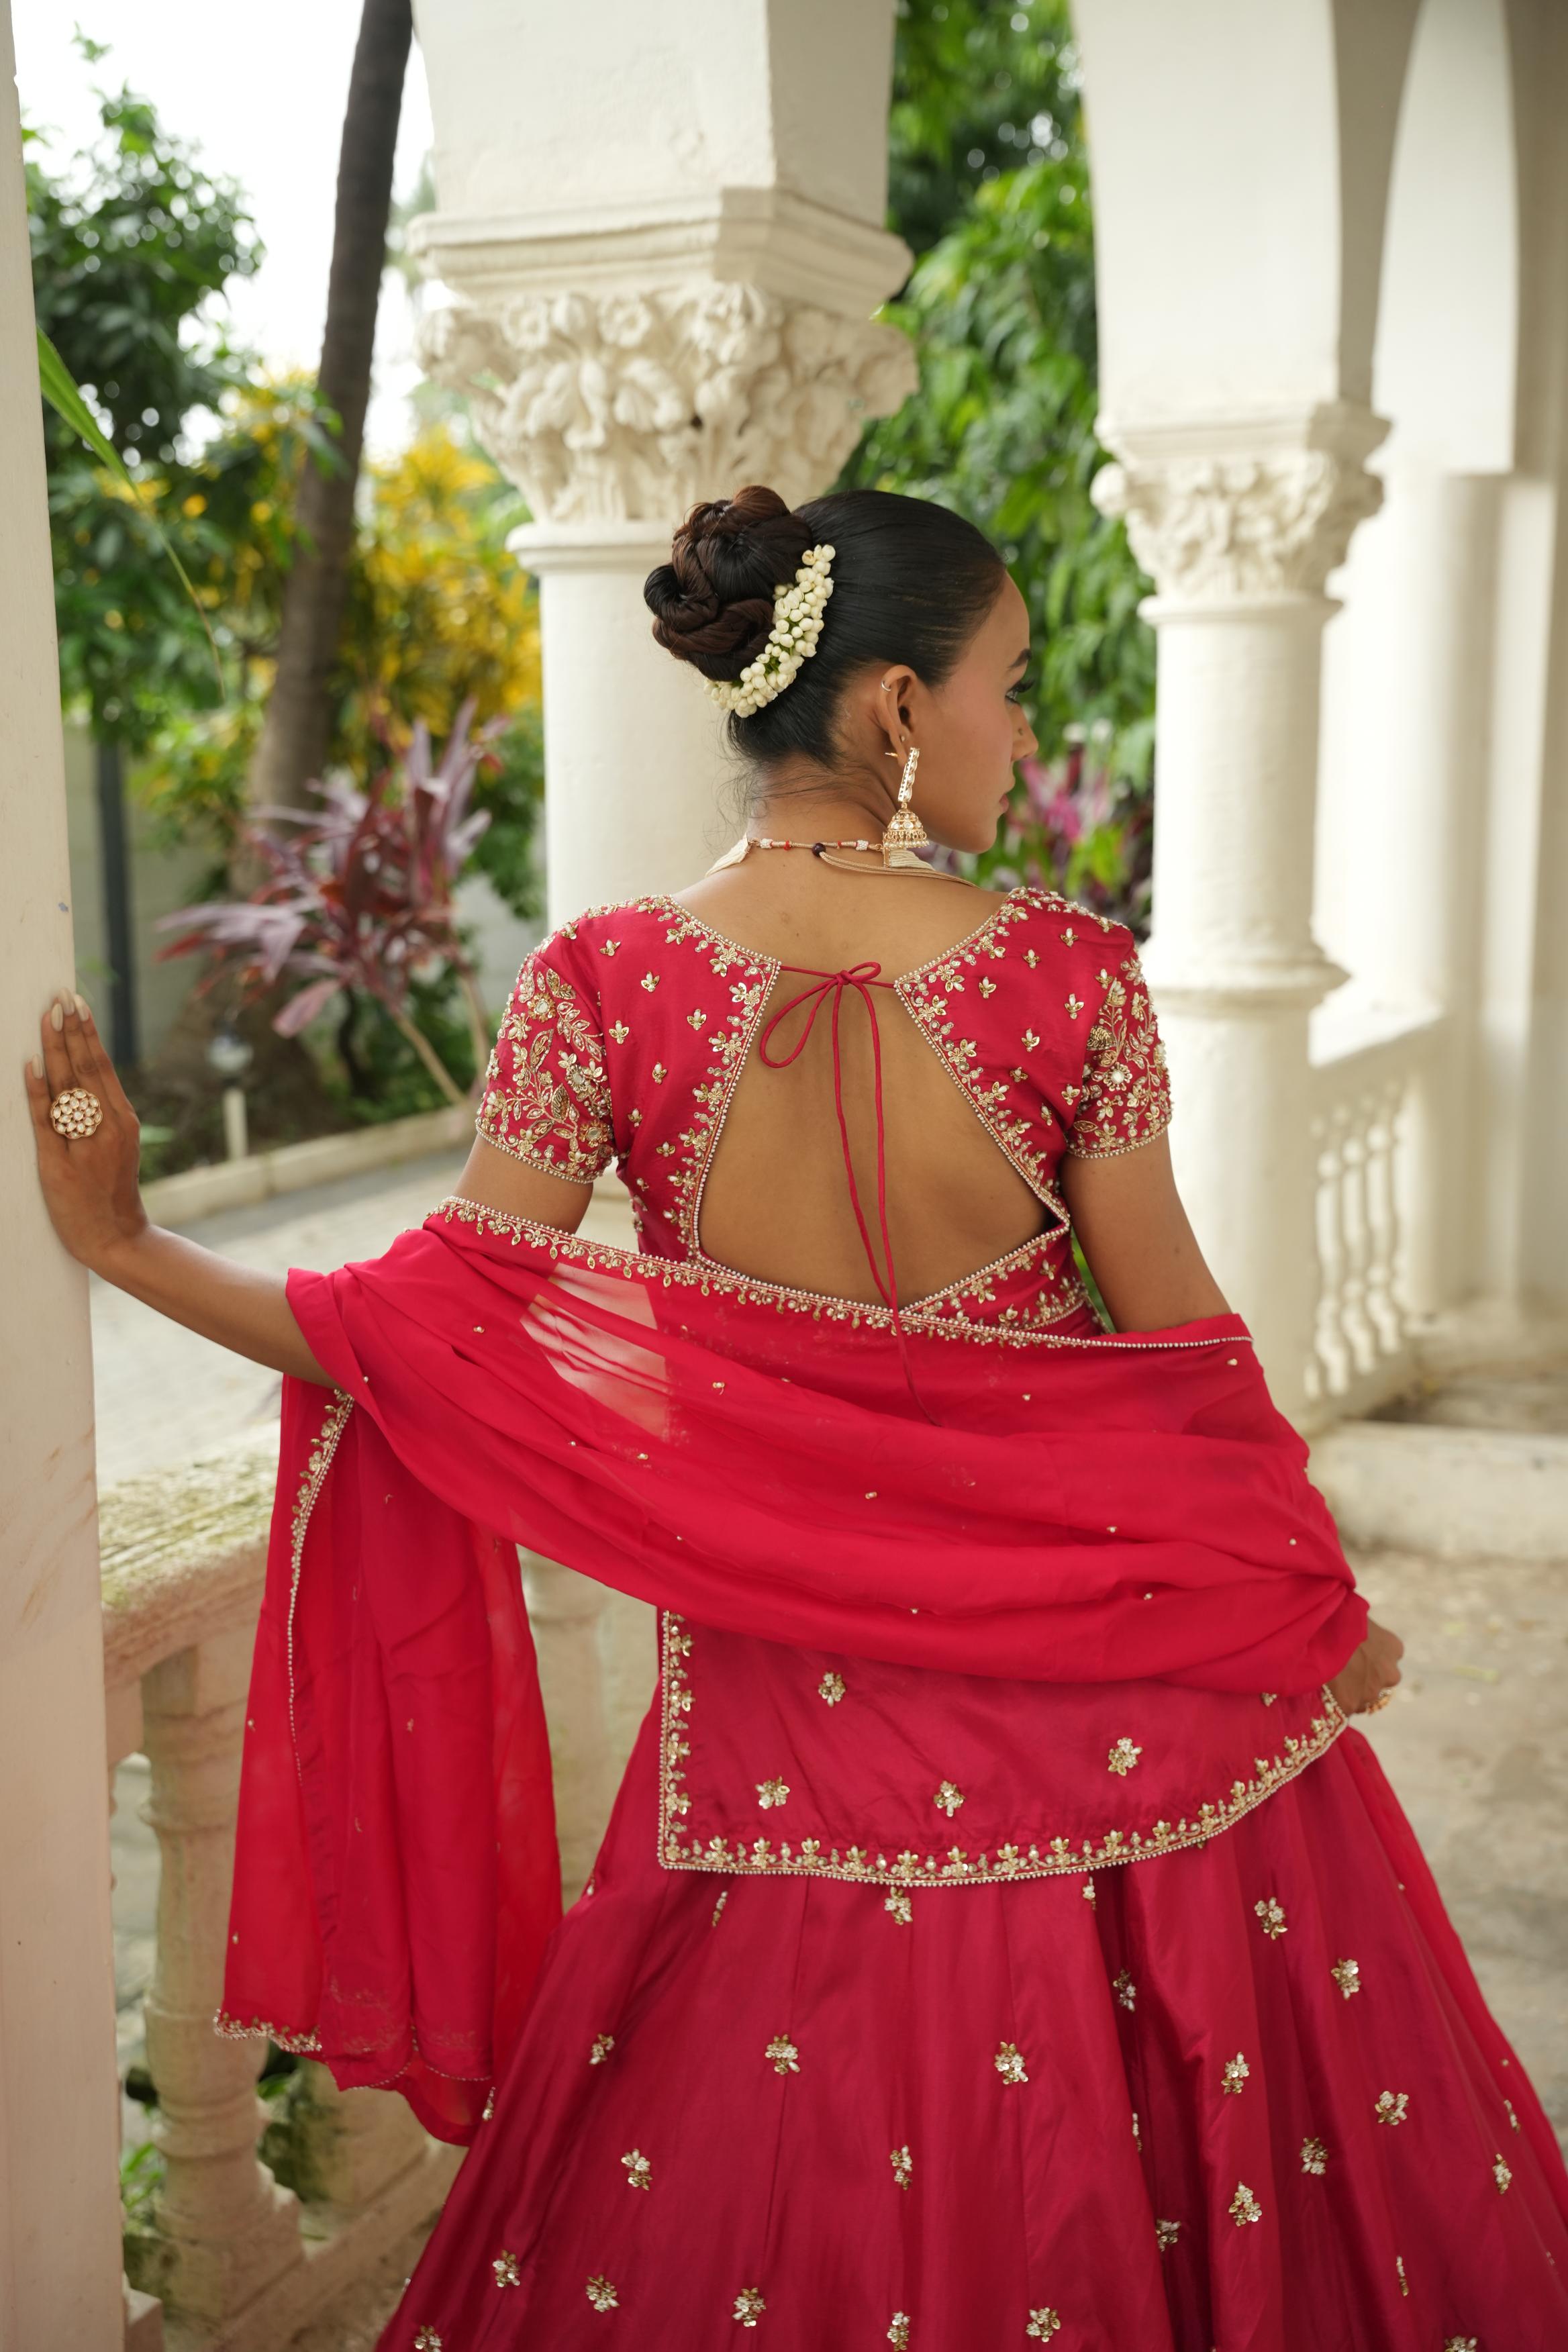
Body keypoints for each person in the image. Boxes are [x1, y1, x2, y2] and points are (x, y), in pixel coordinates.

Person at [28, 485, 1567, 2350]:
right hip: (1131, 1710)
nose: (1029, 726)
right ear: (901, 711)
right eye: (1009, 682)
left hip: (779, 1762)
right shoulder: (1066, 978)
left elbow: (419, 1338)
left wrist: (121, 1239)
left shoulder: (601, 982)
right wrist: (1318, 1603)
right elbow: (1190, 1367)